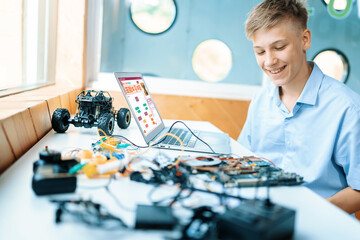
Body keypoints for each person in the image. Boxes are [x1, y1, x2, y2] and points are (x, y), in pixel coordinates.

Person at [238, 0, 360, 214]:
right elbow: (243, 162)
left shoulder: (347, 108)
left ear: (305, 40)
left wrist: (307, 213)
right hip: (262, 218)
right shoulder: (261, 101)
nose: (269, 61)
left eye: (279, 47)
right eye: (260, 52)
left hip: (321, 224)